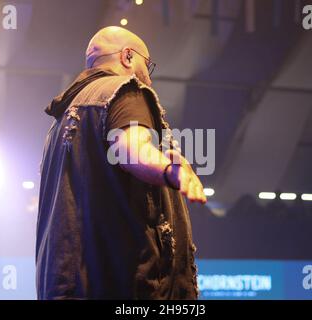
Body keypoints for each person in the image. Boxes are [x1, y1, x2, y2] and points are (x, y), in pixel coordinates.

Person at [36, 26, 207, 299]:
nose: (148, 80)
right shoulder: (125, 90)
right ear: (128, 57)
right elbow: (130, 148)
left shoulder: (59, 124)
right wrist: (166, 170)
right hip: (124, 288)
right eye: (146, 66)